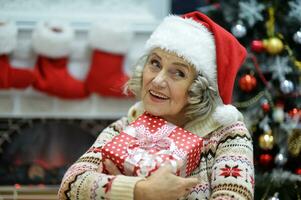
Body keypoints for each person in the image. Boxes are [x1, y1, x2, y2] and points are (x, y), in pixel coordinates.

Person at [58, 11, 254, 200]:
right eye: (155, 63)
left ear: (199, 89)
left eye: (178, 73)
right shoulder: (126, 125)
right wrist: (142, 191)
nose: (158, 80)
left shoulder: (228, 136)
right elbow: (70, 186)